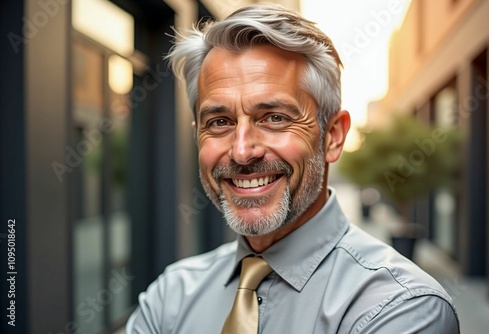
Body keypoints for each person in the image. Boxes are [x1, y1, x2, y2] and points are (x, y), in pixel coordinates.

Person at [127, 4, 460, 333]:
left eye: (275, 118)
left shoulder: (402, 308)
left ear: (332, 136)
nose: (242, 151)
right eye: (219, 121)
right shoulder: (170, 296)